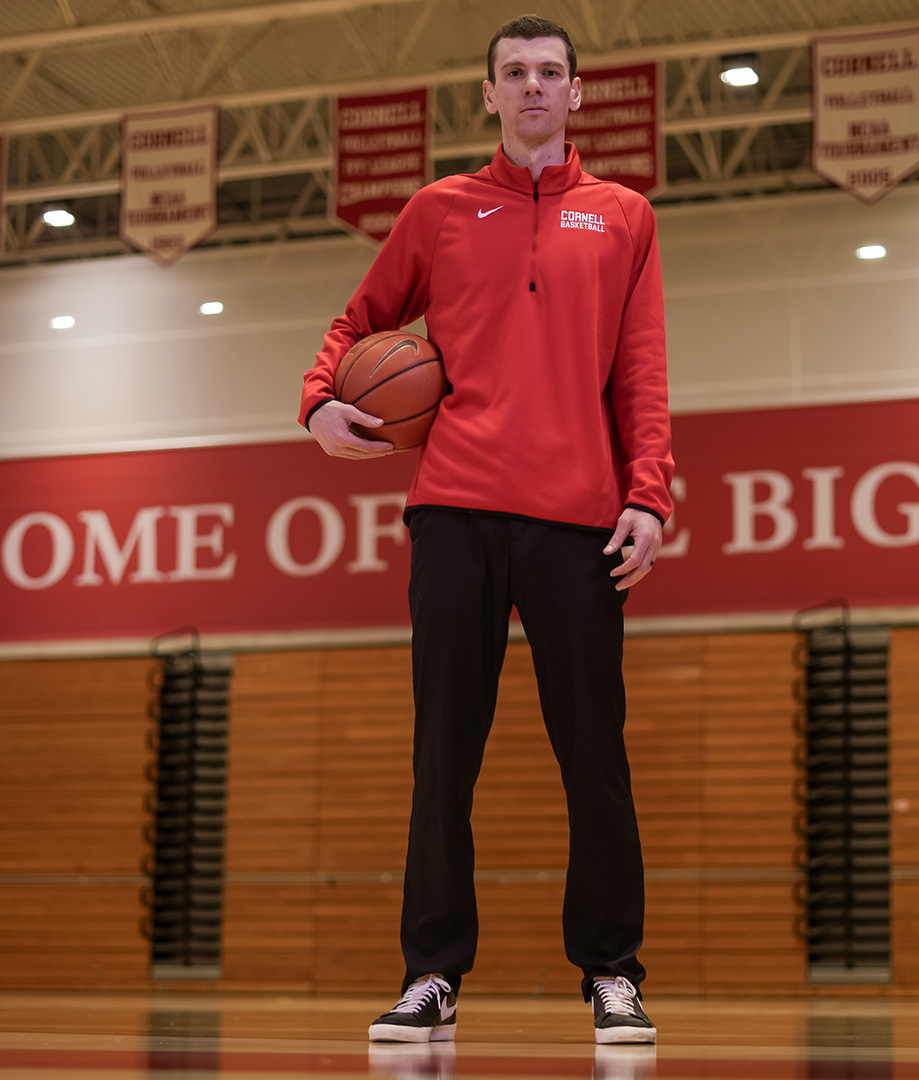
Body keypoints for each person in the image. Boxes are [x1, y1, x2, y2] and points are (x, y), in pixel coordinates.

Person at [299, 13, 673, 1045]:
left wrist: (650, 495)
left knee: (595, 754)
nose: (535, 87)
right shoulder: (438, 210)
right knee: (443, 754)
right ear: (489, 94)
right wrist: (321, 399)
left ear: (578, 92)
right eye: (515, 73)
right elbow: (355, 322)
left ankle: (612, 972)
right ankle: (431, 974)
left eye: (552, 71)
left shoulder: (626, 217)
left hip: (579, 520)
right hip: (455, 510)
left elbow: (641, 370)